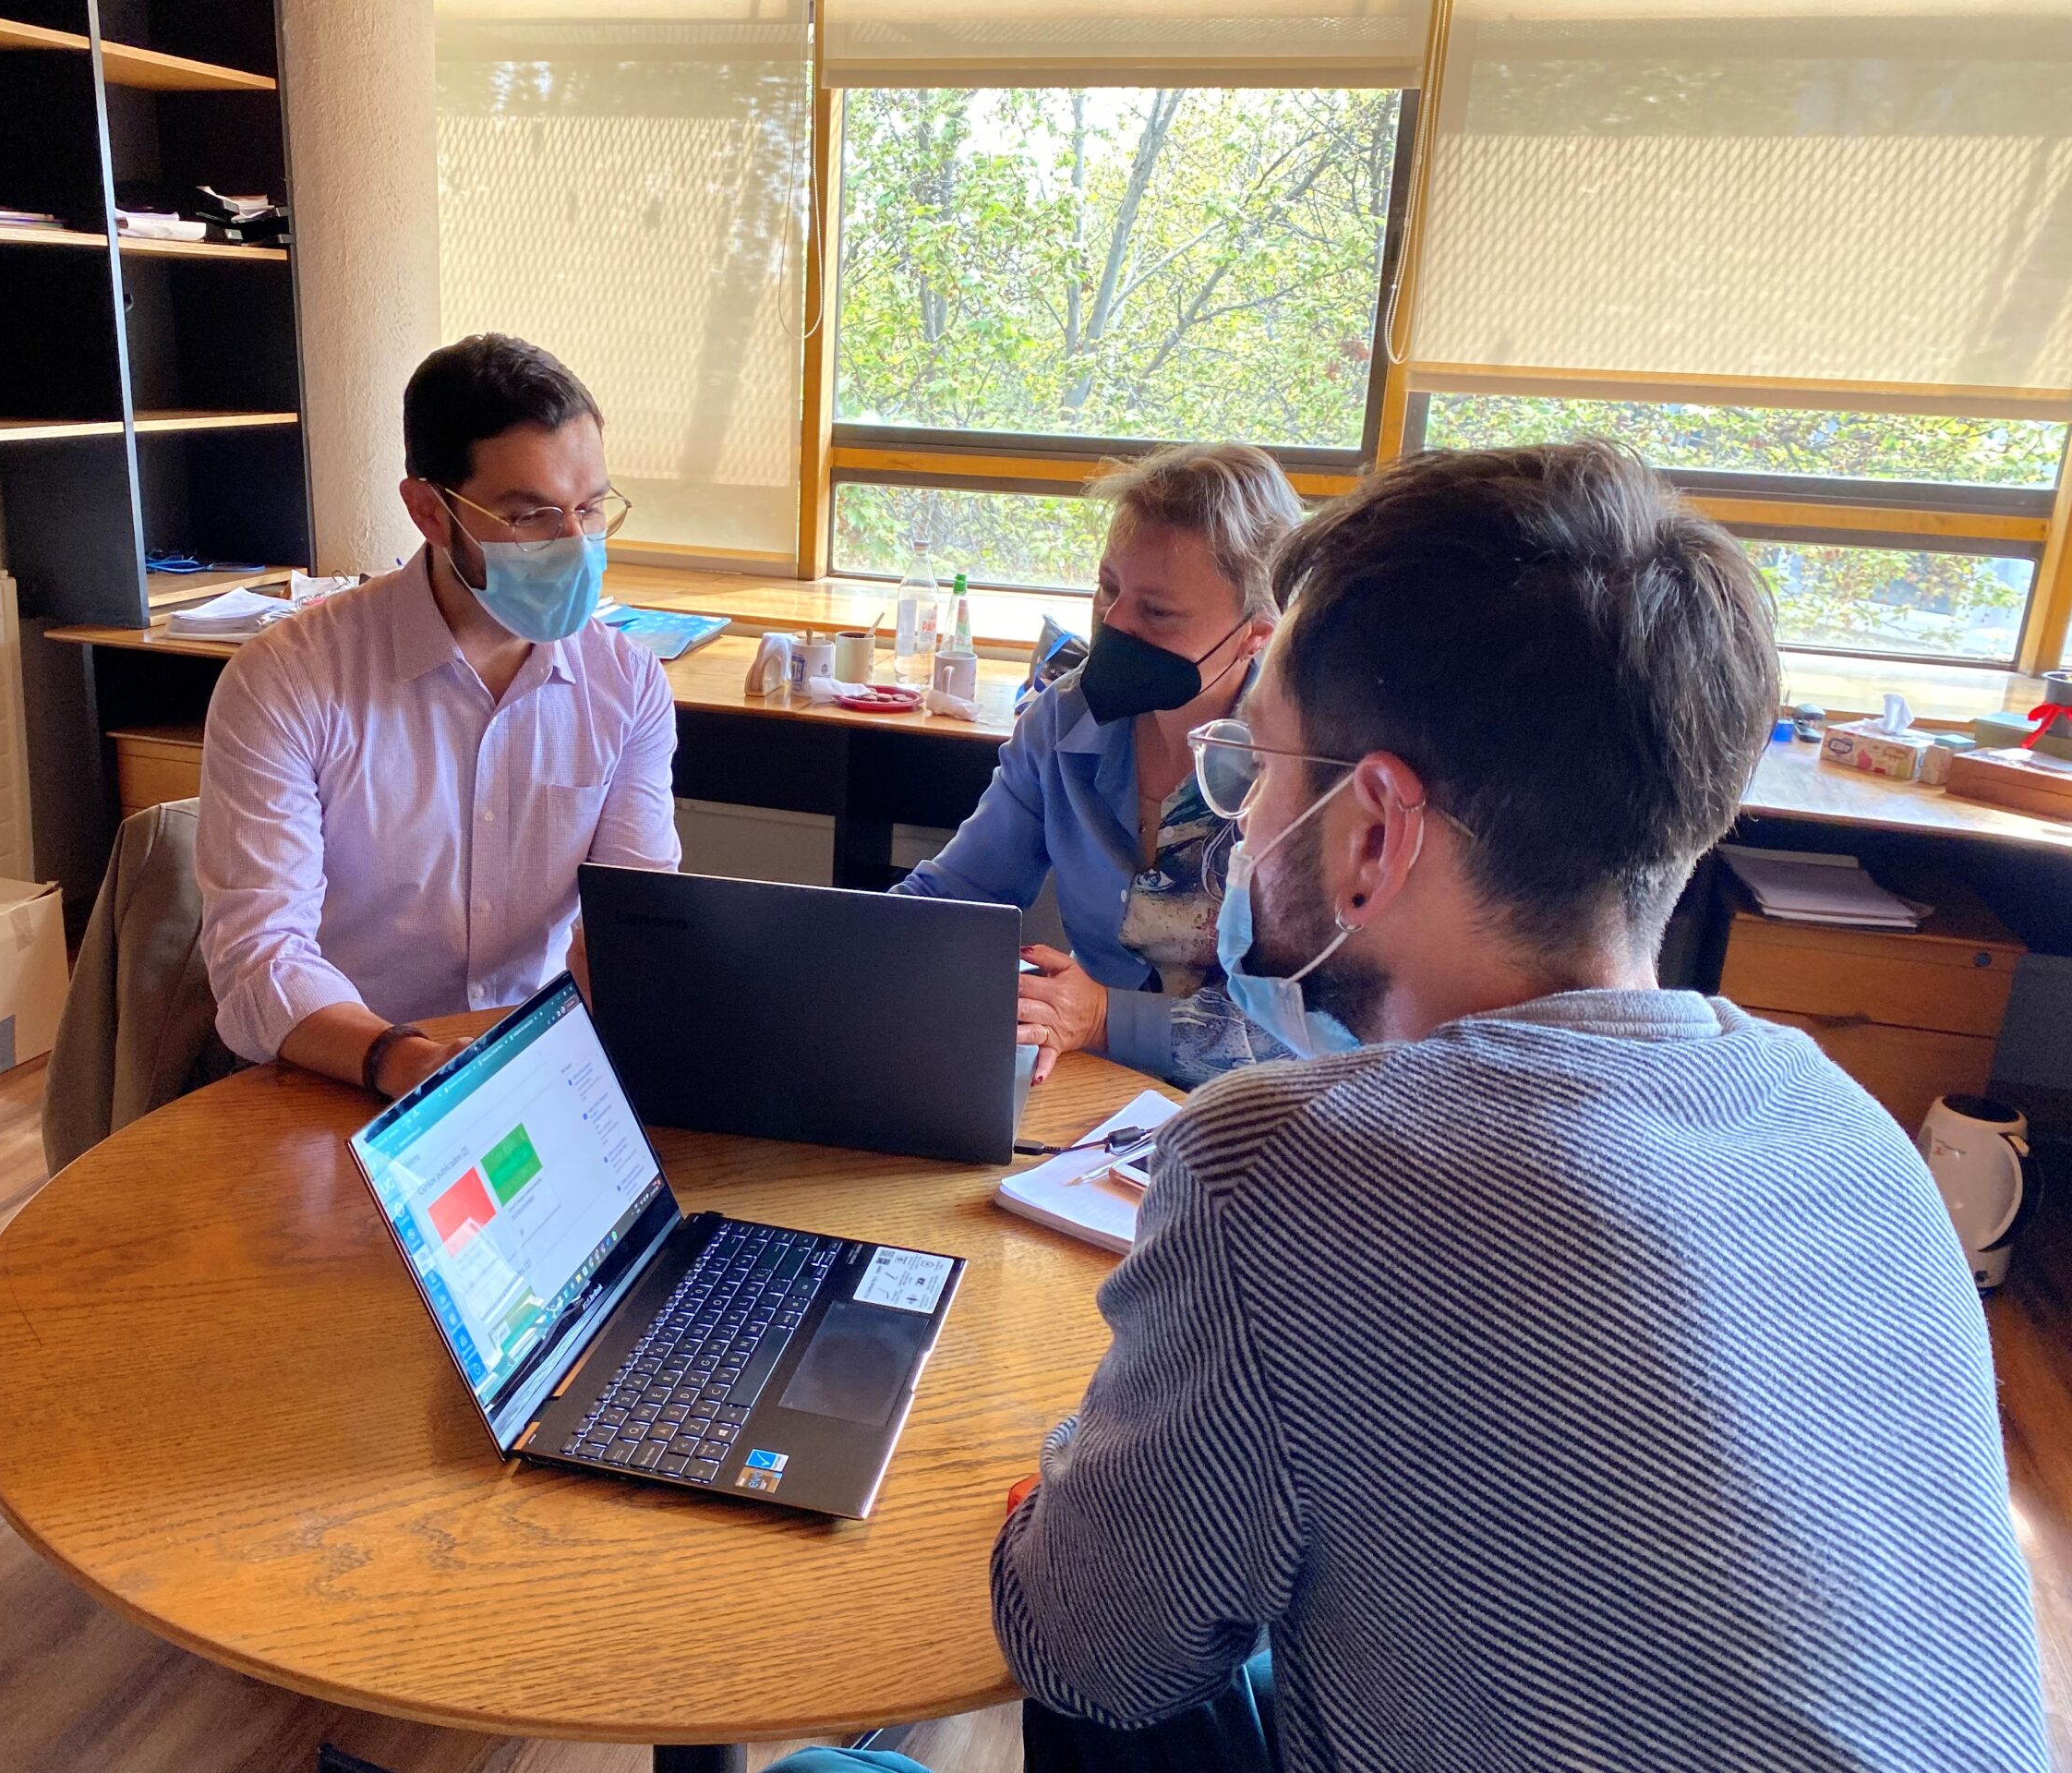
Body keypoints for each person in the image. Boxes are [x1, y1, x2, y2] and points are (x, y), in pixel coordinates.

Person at [775, 441, 2050, 1773]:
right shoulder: (1853, 1135)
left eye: (1259, 765)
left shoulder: (1282, 1169)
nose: (1243, 808)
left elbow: (1089, 1655)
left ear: (1375, 830)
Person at [198, 334, 680, 1103]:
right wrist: (406, 1061)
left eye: (589, 508)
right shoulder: (289, 680)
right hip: (341, 1069)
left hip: (537, 1066)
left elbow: (641, 922)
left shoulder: (625, 684)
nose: (574, 545)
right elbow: (260, 956)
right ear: (429, 511)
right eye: (530, 517)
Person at [892, 444, 1321, 1089]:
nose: (1113, 624)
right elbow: (958, 900)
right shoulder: (1064, 722)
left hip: (1257, 1111)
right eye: (1108, 588)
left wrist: (1102, 1018)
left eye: (1156, 612)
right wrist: (846, 952)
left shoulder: (1310, 765)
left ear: (1257, 632)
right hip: (1087, 1089)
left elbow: (1310, 1026)